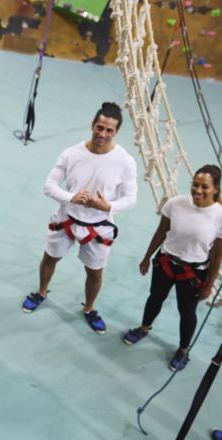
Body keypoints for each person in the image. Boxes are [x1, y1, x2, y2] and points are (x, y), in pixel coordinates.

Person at [21, 102, 137, 334]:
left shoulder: (125, 161)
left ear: (116, 132)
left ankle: (89, 308)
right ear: (92, 125)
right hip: (67, 219)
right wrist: (70, 197)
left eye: (109, 130)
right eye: (99, 127)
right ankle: (42, 292)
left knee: (95, 271)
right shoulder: (72, 154)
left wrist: (108, 206)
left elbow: (131, 198)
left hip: (99, 227)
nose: (102, 134)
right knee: (50, 257)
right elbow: (49, 185)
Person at [122, 165, 222, 371]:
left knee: (186, 311)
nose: (198, 190)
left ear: (216, 190)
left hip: (193, 272)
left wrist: (209, 284)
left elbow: (217, 255)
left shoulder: (219, 216)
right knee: (155, 297)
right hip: (166, 262)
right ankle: (143, 328)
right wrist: (147, 257)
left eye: (204, 187)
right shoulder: (176, 203)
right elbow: (161, 232)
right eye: (195, 184)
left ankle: (183, 349)